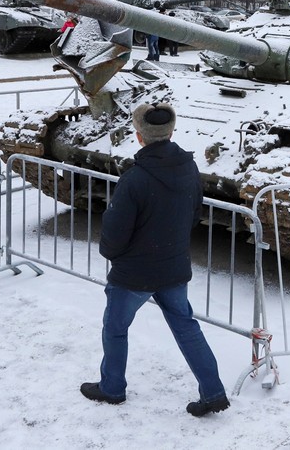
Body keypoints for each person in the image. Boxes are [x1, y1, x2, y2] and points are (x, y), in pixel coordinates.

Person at [81, 103, 229, 417]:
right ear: (171, 133)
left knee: (115, 328)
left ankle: (112, 387)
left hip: (134, 273)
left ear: (139, 136)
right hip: (173, 266)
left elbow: (115, 230)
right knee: (186, 328)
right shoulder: (189, 168)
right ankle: (214, 392)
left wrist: (113, 254)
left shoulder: (134, 179)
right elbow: (195, 214)